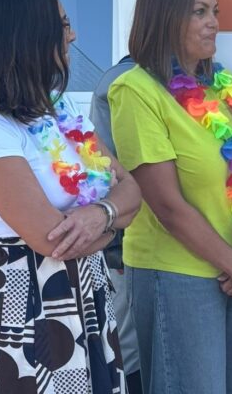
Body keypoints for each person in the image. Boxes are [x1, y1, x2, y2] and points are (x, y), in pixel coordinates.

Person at [0, 0, 141, 393]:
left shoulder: (58, 110)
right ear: (27, 36)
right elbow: (51, 239)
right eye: (63, 24)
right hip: (21, 292)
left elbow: (130, 191)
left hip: (83, 288)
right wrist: (112, 218)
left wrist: (99, 213)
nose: (73, 35)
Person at [107, 0, 232, 394]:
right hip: (179, 275)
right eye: (199, 12)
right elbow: (166, 205)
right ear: (166, 15)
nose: (213, 24)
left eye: (214, 11)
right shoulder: (136, 90)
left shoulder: (224, 90)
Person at [91, 54, 143, 394]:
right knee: (127, 353)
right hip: (127, 252)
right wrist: (114, 249)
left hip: (188, 257)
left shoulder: (210, 80)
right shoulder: (122, 80)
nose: (212, 22)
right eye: (197, 12)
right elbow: (106, 177)